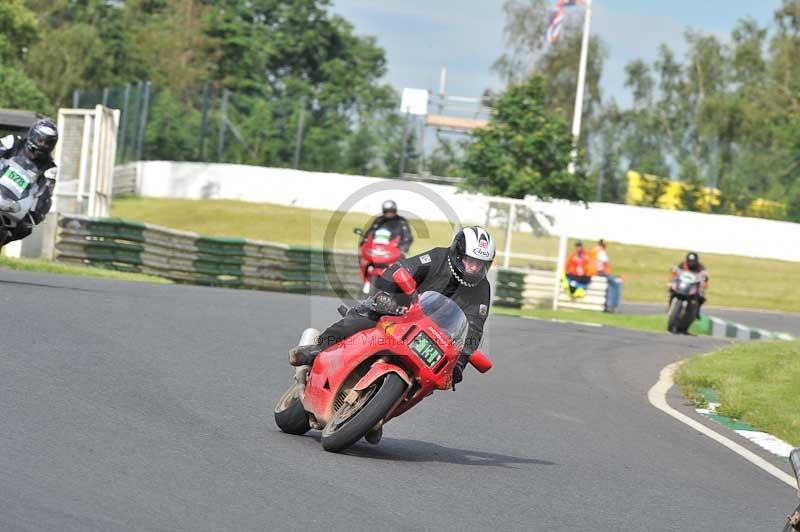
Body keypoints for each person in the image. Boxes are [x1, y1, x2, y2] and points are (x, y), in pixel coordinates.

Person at [289, 226, 495, 393]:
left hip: (434, 335)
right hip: (403, 310)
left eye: (480, 263)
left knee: (432, 379)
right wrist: (387, 295)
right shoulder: (437, 258)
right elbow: (400, 269)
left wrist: (460, 363)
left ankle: (381, 415)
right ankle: (316, 350)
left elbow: (475, 327)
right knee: (365, 317)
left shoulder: (481, 289)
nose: (475, 268)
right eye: (471, 261)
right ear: (458, 254)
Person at [0, 118, 59, 246]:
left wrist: (34, 216)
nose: (42, 144)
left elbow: (45, 195)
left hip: (14, 207)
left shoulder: (50, 168)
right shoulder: (13, 142)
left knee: (24, 229)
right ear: (32, 135)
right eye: (40, 139)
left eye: (47, 143)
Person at [670, 251, 709, 317]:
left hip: (694, 285)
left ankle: (697, 311)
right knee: (672, 288)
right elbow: (675, 271)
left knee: (701, 296)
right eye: (690, 260)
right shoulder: (683, 264)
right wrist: (672, 279)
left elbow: (705, 278)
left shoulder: (700, 266)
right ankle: (670, 304)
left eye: (693, 261)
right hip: (683, 283)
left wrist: (703, 282)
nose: (691, 262)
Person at [591, 239, 623, 313]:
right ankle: (611, 307)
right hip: (599, 273)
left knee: (613, 282)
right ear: (603, 244)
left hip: (593, 272)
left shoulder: (594, 250)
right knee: (616, 283)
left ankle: (609, 306)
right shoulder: (601, 252)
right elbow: (606, 262)